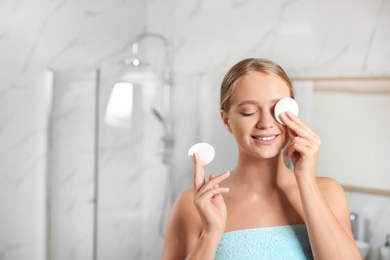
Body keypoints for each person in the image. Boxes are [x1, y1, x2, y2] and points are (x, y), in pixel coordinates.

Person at [161, 58, 361, 259]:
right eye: (249, 112)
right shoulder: (195, 205)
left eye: (278, 110)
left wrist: (306, 179)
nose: (266, 123)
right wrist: (210, 234)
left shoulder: (328, 193)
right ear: (226, 120)